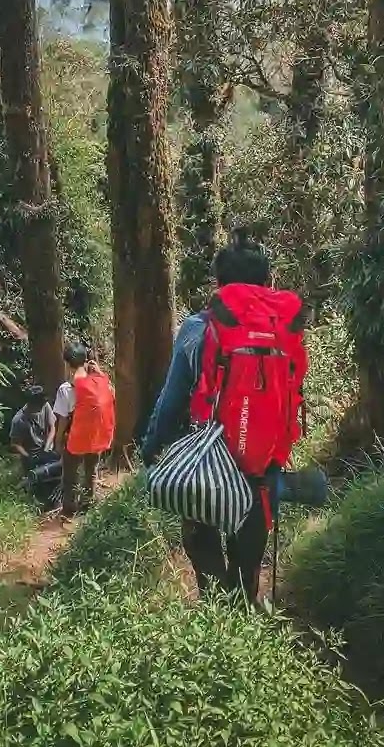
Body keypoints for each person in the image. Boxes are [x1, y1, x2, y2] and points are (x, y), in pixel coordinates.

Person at [141, 228, 306, 603]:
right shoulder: (284, 331)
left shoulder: (199, 327)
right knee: (247, 567)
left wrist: (152, 449)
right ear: (268, 281)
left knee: (205, 554)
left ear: (219, 283)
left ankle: (215, 617)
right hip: (262, 465)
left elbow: (170, 402)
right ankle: (245, 616)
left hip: (207, 462)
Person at [54, 341, 116, 519]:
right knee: (91, 472)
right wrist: (99, 373)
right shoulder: (101, 383)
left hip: (75, 438)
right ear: (86, 361)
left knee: (70, 476)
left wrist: (58, 441)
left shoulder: (66, 389)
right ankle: (88, 505)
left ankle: (68, 510)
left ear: (67, 364)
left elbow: (63, 419)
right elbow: (111, 396)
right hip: (96, 436)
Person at [10, 384, 61, 507]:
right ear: (31, 403)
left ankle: (56, 496)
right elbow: (15, 444)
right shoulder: (19, 420)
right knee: (38, 478)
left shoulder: (45, 406)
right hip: (31, 454)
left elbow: (52, 427)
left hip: (46, 450)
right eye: (38, 403)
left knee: (60, 467)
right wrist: (27, 456)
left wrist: (48, 444)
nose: (42, 405)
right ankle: (29, 488)